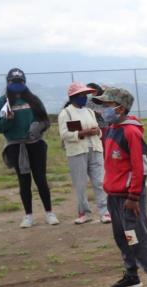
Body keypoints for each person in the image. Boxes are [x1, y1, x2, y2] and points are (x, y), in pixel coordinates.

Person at [92, 87, 147, 287]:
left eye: (106, 106)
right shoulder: (113, 128)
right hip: (114, 196)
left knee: (137, 237)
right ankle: (131, 274)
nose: (103, 110)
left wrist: (133, 197)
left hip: (129, 198)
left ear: (119, 108)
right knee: (123, 236)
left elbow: (140, 167)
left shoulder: (130, 132)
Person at [0, 68, 57, 228]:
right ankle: (28, 215)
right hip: (16, 145)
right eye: (13, 82)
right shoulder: (2, 102)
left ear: (24, 83)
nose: (16, 85)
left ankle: (49, 212)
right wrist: (7, 120)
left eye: (20, 82)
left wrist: (38, 127)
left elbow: (45, 121)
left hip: (36, 144)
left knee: (41, 179)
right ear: (8, 83)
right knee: (24, 181)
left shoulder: (33, 100)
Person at [59, 82, 109, 224]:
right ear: (73, 97)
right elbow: (64, 134)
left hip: (95, 149)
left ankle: (105, 211)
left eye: (85, 95)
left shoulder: (89, 112)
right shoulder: (66, 113)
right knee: (80, 184)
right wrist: (84, 132)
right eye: (81, 95)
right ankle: (84, 213)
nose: (84, 97)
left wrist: (96, 132)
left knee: (100, 182)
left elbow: (98, 131)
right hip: (77, 152)